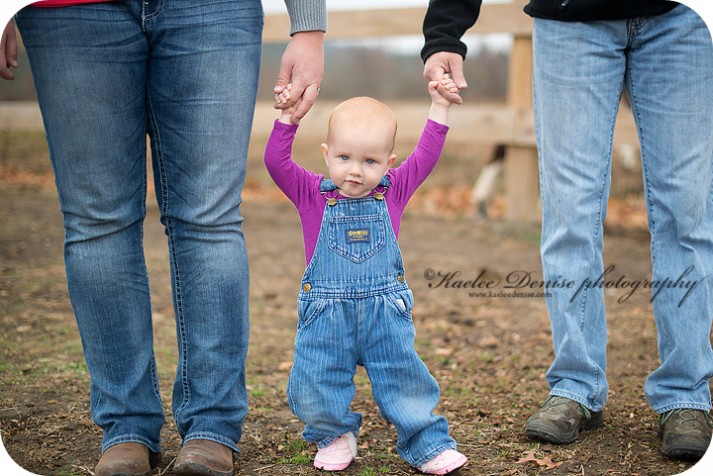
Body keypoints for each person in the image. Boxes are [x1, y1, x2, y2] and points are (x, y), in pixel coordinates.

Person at [1, 1, 325, 475]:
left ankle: (212, 427)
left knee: (209, 219)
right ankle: (126, 426)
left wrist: (309, 23)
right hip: (68, 12)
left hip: (214, 9)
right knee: (96, 221)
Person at [421, 0, 713, 462]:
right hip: (570, 21)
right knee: (569, 211)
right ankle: (577, 384)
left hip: (684, 20)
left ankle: (686, 392)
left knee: (687, 211)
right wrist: (444, 32)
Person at [264, 79, 468, 474]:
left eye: (370, 162)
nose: (355, 171)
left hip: (384, 314)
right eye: (344, 157)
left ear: (389, 163)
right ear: (327, 154)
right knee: (315, 381)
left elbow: (426, 155)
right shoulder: (312, 194)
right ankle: (334, 434)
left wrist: (439, 106)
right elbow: (276, 163)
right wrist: (288, 118)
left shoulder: (394, 191)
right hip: (326, 314)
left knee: (404, 378)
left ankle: (427, 443)